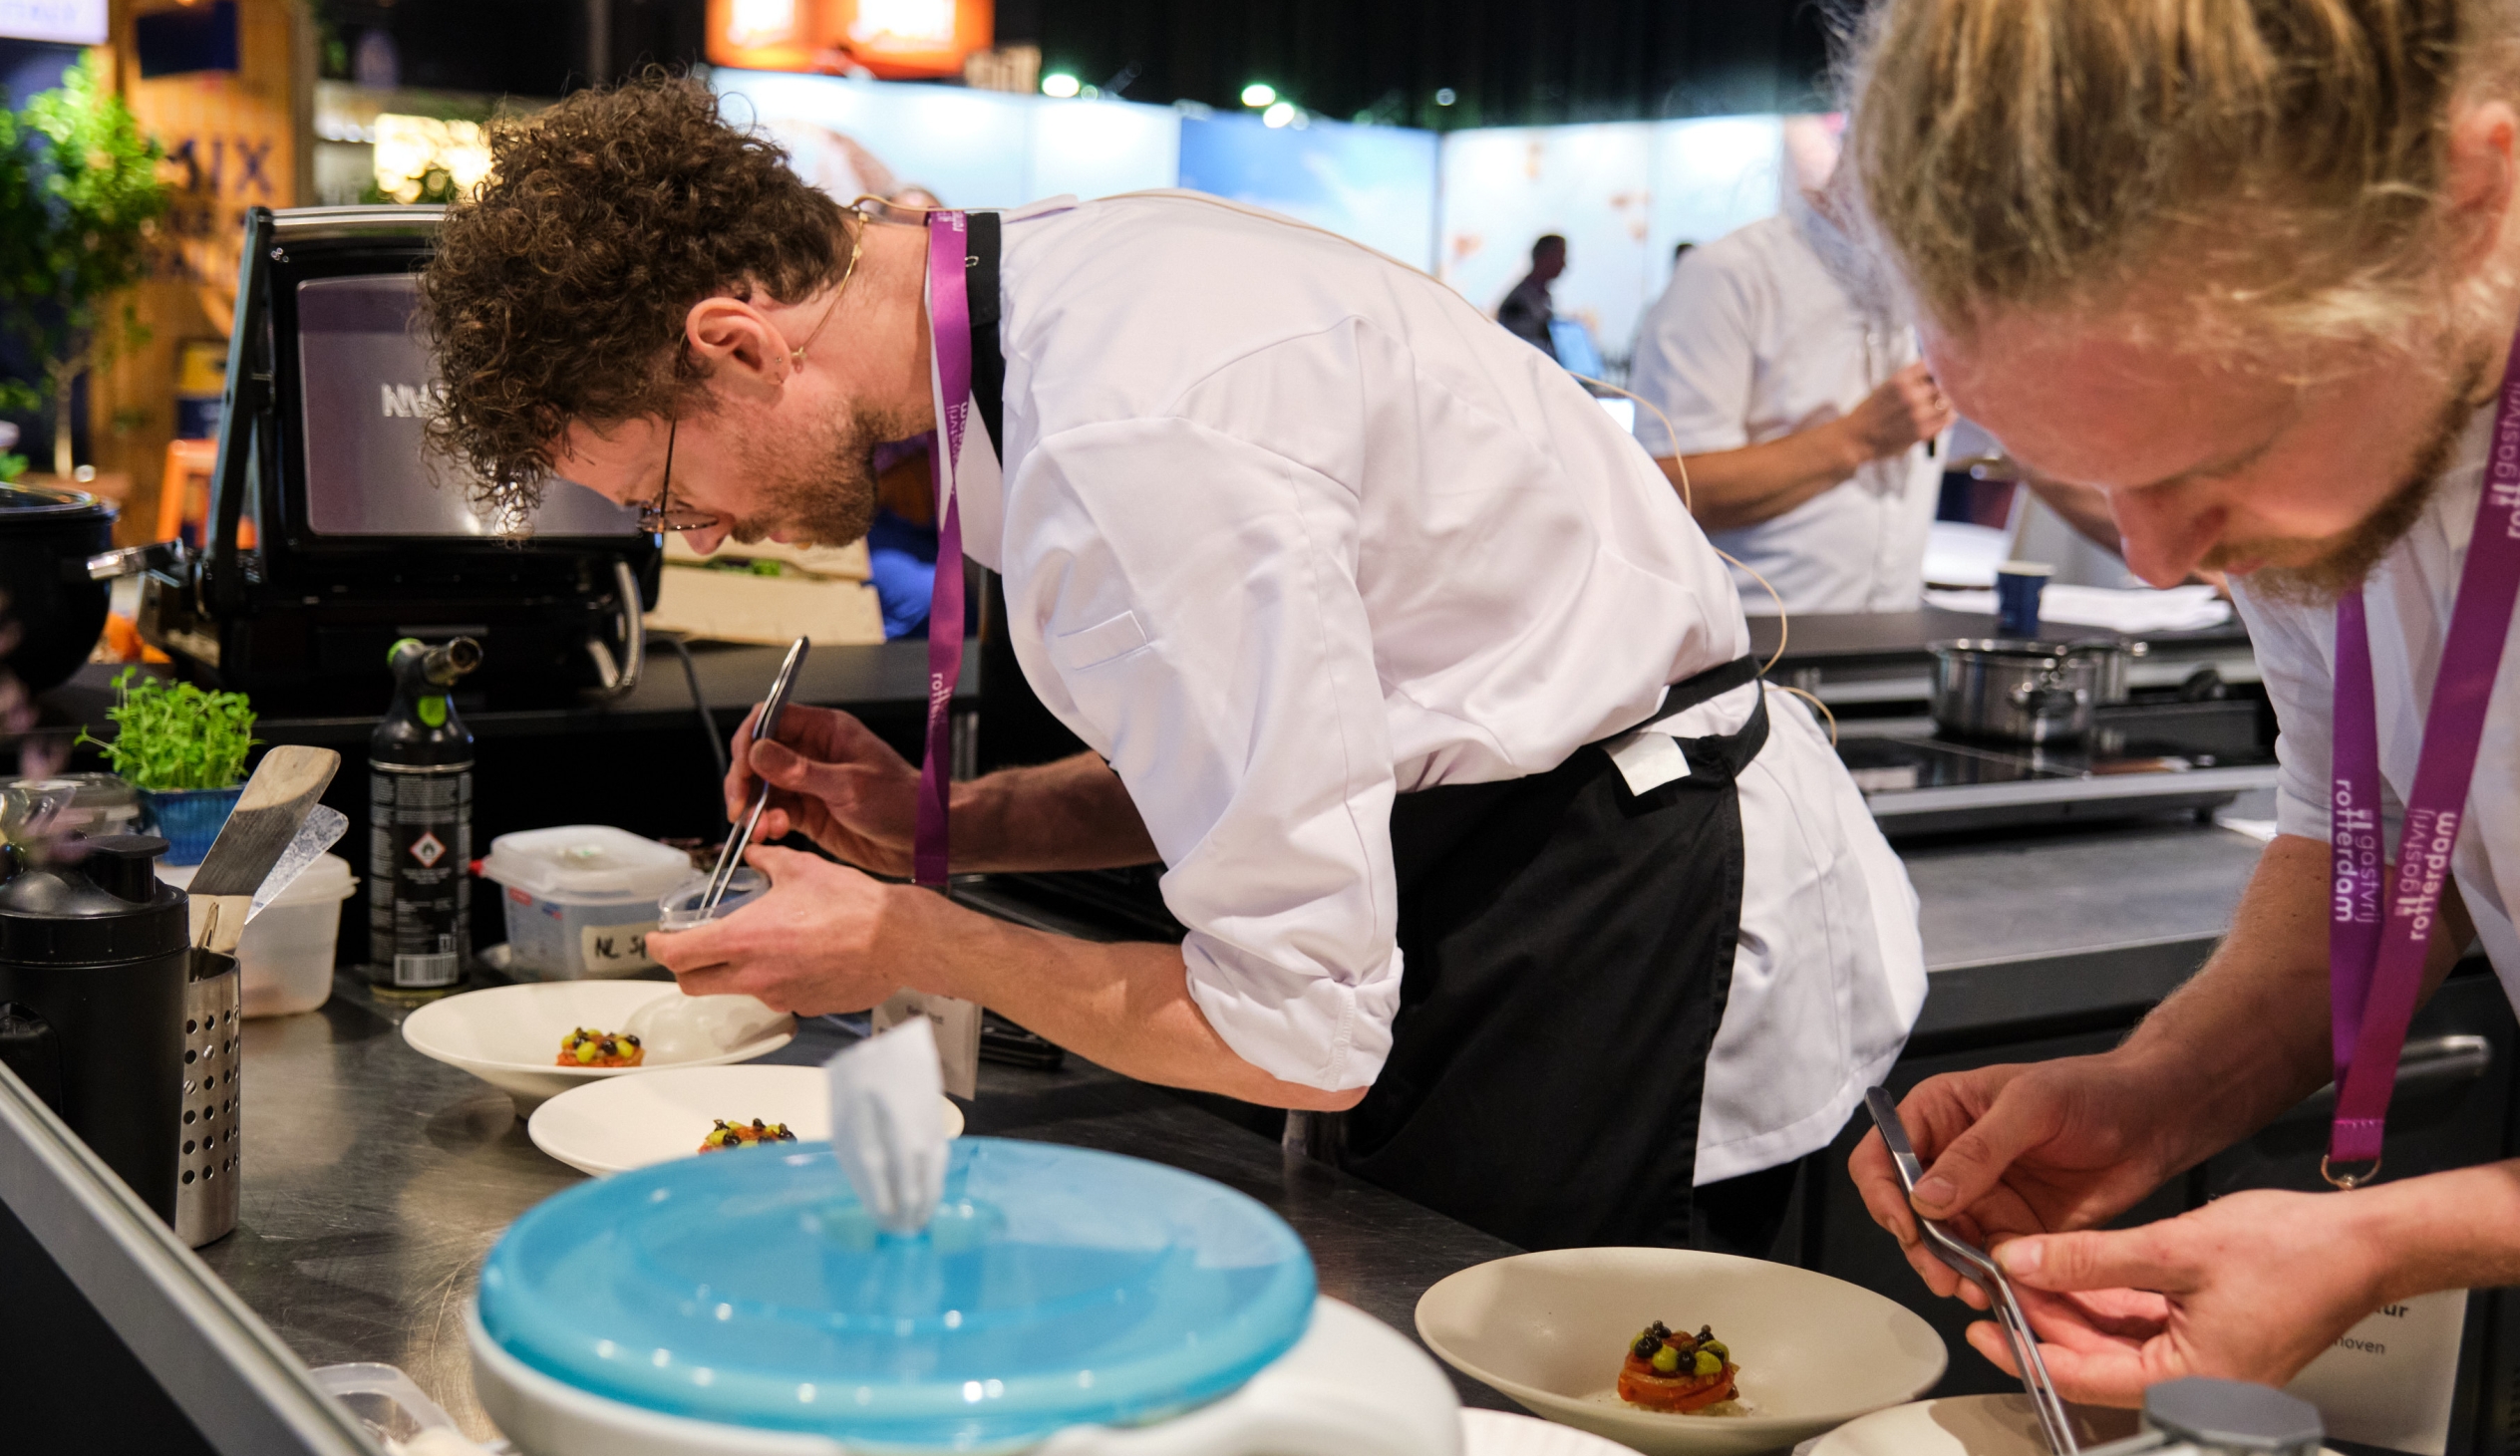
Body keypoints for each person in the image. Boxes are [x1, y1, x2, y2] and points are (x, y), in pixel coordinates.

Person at [417, 78, 1925, 1255]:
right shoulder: (1049, 300)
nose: (710, 533)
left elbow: (1301, 1033)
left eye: (669, 491)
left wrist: (906, 939)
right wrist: (950, 825)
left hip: (1619, 905)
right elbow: (1276, 752)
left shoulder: (1126, 433)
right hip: (1507, 864)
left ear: (737, 343)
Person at [1839, 0, 2520, 1410]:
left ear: (2462, 195)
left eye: (2216, 462)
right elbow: (2369, 852)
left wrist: (2393, 1239)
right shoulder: (2347, 408)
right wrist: (2152, 1092)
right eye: (2092, 476)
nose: (2161, 560)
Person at [1630, 118, 1954, 612]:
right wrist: (1857, 438)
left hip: (1894, 646)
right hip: (1754, 649)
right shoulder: (1730, 276)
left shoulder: (1931, 287)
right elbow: (1669, 491)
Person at [1496, 232, 1567, 356]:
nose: (1563, 265)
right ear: (1545, 258)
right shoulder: (1518, 302)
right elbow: (1516, 346)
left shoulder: (1544, 298)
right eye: (1560, 257)